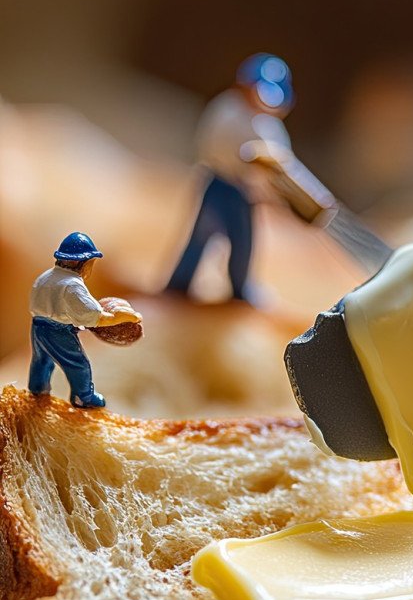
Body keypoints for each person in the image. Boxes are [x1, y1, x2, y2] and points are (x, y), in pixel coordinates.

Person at [165, 53, 295, 302]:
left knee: (243, 242)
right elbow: (210, 144)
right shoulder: (226, 110)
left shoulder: (271, 127)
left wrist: (271, 187)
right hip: (220, 185)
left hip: (246, 195)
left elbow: (281, 160)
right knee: (201, 237)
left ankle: (239, 289)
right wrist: (245, 163)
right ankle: (179, 285)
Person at [29, 232, 142, 408]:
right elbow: (94, 317)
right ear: (82, 263)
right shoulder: (73, 285)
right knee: (78, 364)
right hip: (58, 330)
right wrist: (126, 316)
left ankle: (37, 387)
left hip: (37, 326)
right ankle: (83, 397)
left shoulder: (46, 276)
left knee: (42, 360)